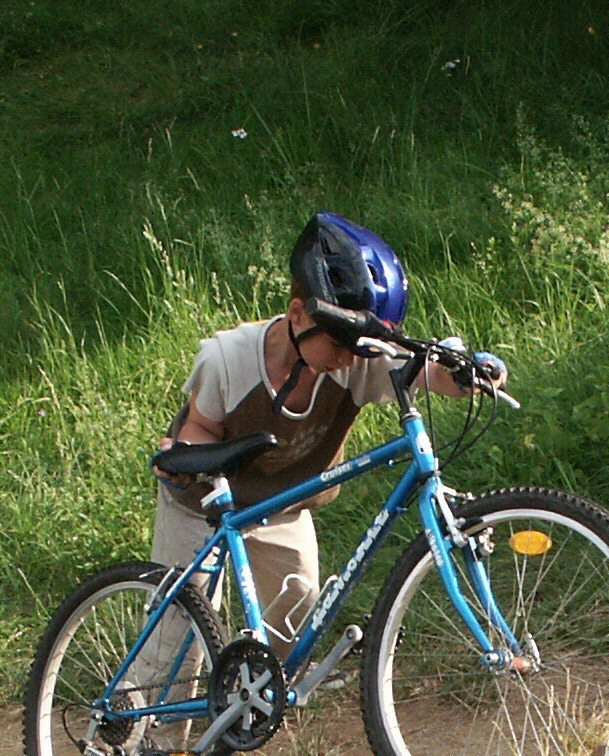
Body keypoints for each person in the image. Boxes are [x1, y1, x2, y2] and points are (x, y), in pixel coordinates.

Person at [148, 211, 498, 651]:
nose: (350, 358)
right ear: (298, 313)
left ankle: (260, 694)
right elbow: (200, 426)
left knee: (294, 623)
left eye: (360, 347)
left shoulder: (355, 362)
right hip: (201, 503)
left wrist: (471, 374)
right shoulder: (227, 359)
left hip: (279, 505)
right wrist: (185, 454)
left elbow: (424, 372)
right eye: (339, 343)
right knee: (176, 635)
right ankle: (146, 696)